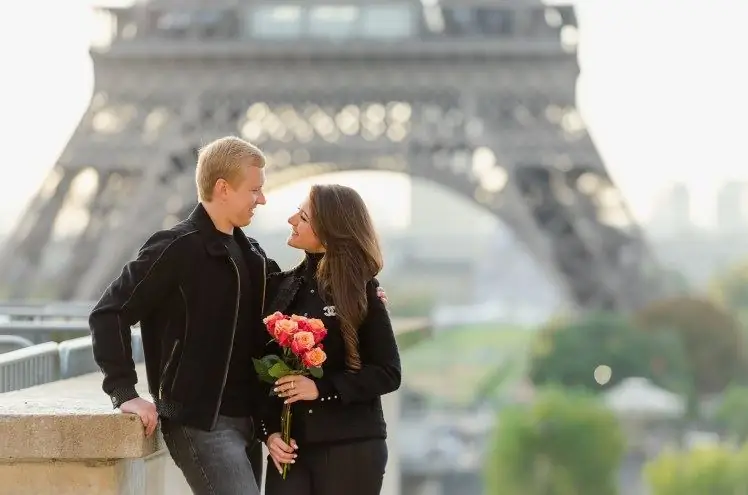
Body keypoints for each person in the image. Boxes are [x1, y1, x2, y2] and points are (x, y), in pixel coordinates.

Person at [89, 136, 279, 495]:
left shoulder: (251, 252)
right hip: (202, 423)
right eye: (255, 190)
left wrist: (361, 289)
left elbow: (289, 305)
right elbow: (109, 312)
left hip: (249, 421)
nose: (262, 199)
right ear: (223, 188)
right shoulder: (176, 247)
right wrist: (123, 391)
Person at [258, 184, 402, 495]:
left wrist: (321, 389)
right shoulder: (280, 289)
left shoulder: (361, 290)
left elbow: (389, 372)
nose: (291, 219)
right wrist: (269, 433)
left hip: (351, 447)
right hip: (291, 450)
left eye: (303, 216)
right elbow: (261, 376)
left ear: (328, 230)